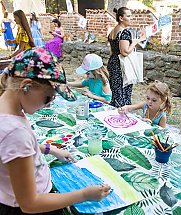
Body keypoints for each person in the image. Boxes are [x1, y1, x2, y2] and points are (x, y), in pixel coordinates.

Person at [0, 47, 111, 215]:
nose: (50, 104)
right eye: (48, 97)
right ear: (26, 87)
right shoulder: (15, 133)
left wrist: (49, 149)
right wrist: (84, 194)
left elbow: (13, 152)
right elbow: (30, 203)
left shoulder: (7, 112)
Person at [107, 7, 145, 108]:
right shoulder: (124, 32)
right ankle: (122, 116)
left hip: (113, 62)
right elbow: (125, 52)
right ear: (121, 18)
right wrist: (135, 42)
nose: (130, 18)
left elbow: (113, 50)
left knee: (116, 93)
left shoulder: (113, 31)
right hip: (121, 65)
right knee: (123, 93)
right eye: (128, 16)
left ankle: (114, 115)